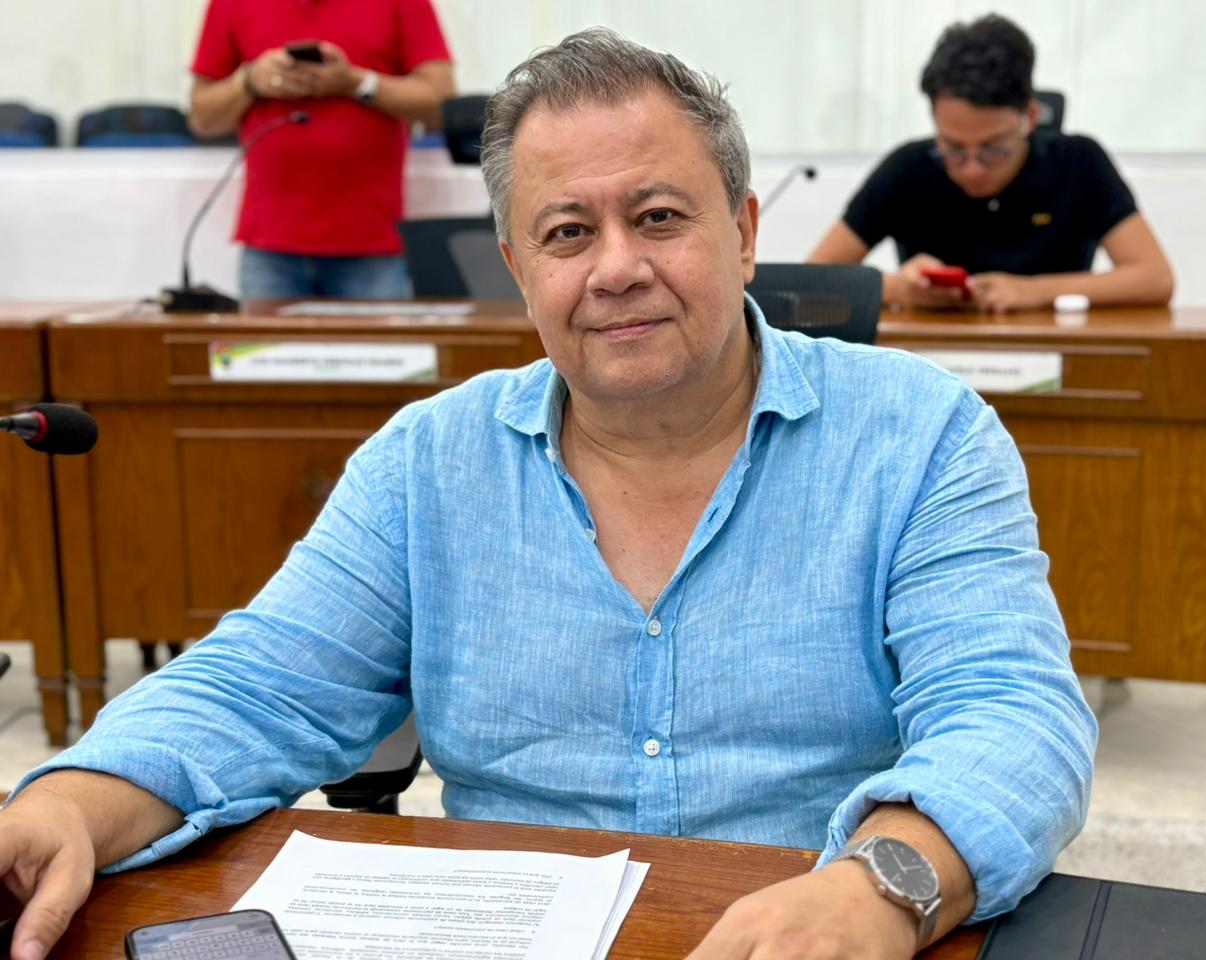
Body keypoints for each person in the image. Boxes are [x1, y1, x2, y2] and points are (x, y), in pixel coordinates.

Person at [0, 29, 1095, 960]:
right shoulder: (428, 460)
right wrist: (65, 805)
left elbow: (1012, 715)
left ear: (744, 233)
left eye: (658, 217)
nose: (614, 268)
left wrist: (879, 889)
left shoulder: (920, 435)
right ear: (519, 268)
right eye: (568, 232)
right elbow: (258, 688)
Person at [809, 14, 1175, 313]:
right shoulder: (908, 168)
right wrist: (896, 288)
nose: (971, 168)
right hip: (932, 359)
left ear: (1029, 117)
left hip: (1054, 356)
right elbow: (809, 281)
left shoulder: (1078, 163)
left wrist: (1033, 292)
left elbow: (1155, 278)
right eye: (953, 148)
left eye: (993, 150)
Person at [186, 0, 456, 299]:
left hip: (371, 243)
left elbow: (441, 105)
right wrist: (249, 81)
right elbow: (203, 119)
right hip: (269, 245)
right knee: (261, 333)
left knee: (378, 334)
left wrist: (355, 83)